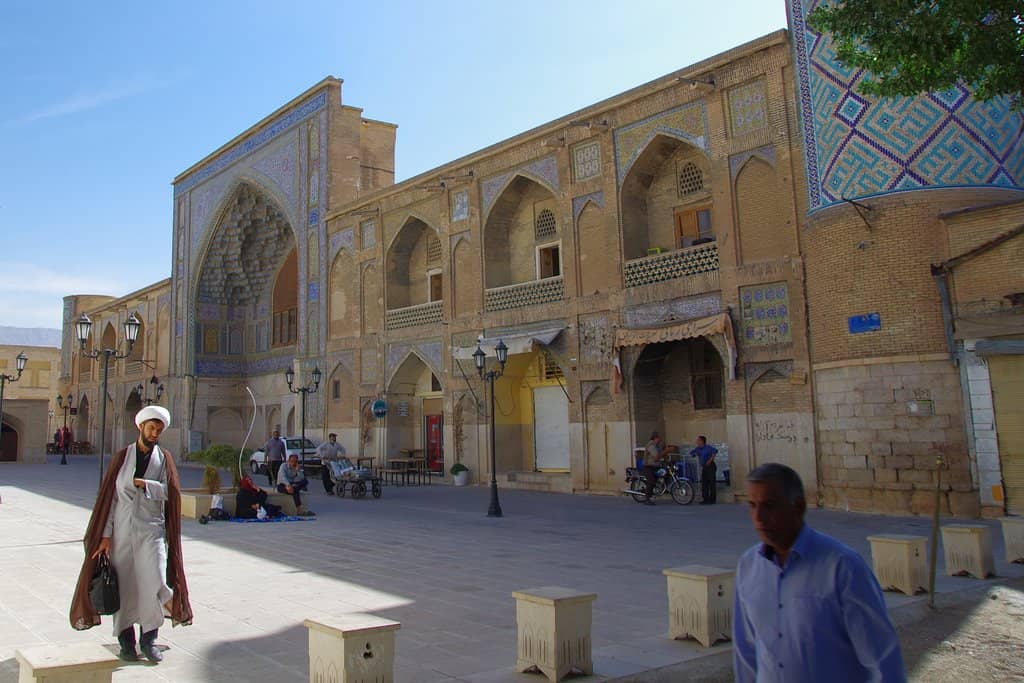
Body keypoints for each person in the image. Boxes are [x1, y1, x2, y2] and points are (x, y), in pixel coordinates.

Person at [733, 463, 905, 682]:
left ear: (798, 507)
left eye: (769, 505)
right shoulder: (748, 567)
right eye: (752, 505)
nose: (758, 517)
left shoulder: (842, 567)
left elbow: (882, 659)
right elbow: (746, 651)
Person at [69, 405, 193, 663]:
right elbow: (111, 499)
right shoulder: (122, 457)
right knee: (124, 587)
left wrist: (144, 484)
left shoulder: (164, 458)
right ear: (141, 427)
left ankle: (150, 639)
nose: (155, 432)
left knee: (154, 582)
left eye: (159, 429)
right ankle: (127, 642)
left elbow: (171, 492)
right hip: (122, 532)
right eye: (152, 428)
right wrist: (104, 536)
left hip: (152, 530)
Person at [641, 432, 676, 505]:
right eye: (659, 438)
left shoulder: (657, 446)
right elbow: (657, 457)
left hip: (656, 466)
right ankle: (647, 499)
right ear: (655, 438)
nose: (660, 439)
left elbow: (661, 455)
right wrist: (666, 451)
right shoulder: (651, 445)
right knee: (651, 481)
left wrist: (666, 453)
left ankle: (663, 489)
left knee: (665, 474)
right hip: (649, 467)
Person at [690, 435, 718, 504]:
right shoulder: (698, 448)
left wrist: (710, 460)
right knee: (704, 483)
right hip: (704, 467)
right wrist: (695, 454)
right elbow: (692, 453)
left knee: (711, 483)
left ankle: (712, 500)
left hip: (710, 466)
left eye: (698, 440)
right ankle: (705, 499)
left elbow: (715, 452)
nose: (697, 441)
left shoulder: (708, 448)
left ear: (702, 441)